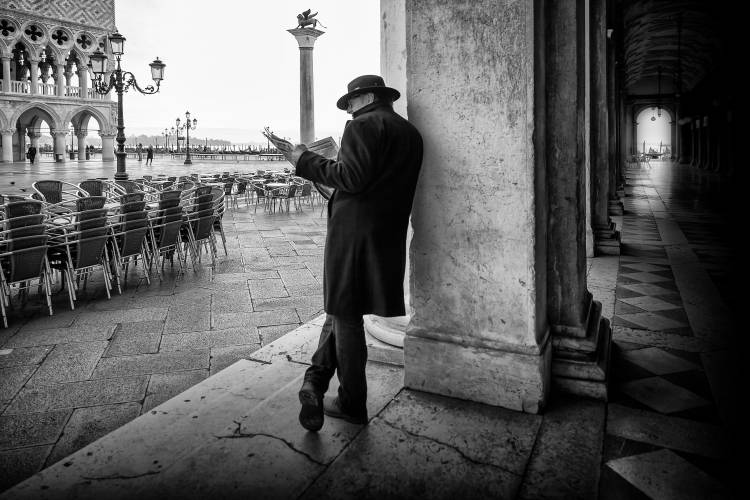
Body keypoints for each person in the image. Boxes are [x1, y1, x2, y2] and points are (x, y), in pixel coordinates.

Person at [281, 75, 423, 431]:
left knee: (345, 316)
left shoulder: (363, 126)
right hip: (384, 235)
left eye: (352, 103)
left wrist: (304, 160)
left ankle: (351, 403)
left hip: (353, 236)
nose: (350, 110)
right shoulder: (409, 133)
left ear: (369, 97)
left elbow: (352, 178)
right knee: (343, 307)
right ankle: (314, 381)